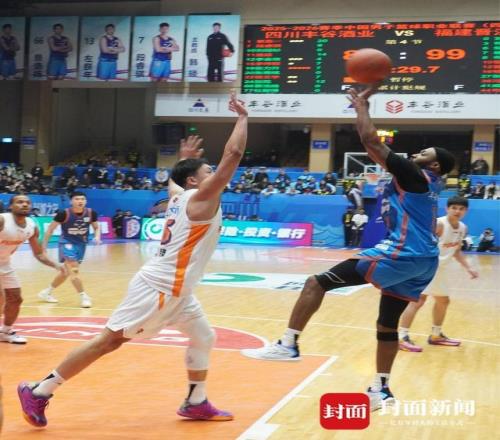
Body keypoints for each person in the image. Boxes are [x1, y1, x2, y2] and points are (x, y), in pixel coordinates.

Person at [18, 92, 248, 426]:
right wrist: (242, 118)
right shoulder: (200, 200)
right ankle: (39, 391)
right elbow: (234, 154)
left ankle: (195, 401)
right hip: (160, 287)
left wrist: (183, 159)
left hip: (179, 290)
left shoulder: (180, 195)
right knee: (109, 341)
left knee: (204, 336)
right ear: (194, 181)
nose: (215, 175)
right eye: (207, 171)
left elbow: (174, 182)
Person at [241, 85, 456, 411]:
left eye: (425, 152)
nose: (417, 154)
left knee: (316, 282)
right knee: (387, 324)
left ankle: (288, 344)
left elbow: (371, 142)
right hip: (424, 261)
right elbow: (377, 156)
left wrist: (361, 107)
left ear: (435, 165)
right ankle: (381, 390)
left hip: (402, 252)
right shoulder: (429, 183)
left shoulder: (415, 174)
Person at [399, 196, 479, 352]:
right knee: (418, 301)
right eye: (454, 208)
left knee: (441, 301)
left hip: (439, 270)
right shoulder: (439, 224)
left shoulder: (462, 228)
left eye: (461, 208)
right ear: (447, 209)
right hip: (427, 267)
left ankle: (435, 335)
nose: (457, 211)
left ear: (466, 211)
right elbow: (418, 242)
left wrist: (468, 267)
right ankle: (402, 337)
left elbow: (456, 251)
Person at [1, 195, 65, 344]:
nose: (24, 204)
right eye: (20, 202)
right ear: (10, 206)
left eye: (27, 202)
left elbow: (39, 253)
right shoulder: (3, 220)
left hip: (4, 264)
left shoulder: (31, 226)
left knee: (16, 299)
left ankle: (5, 331)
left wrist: (56, 265)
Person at [37, 192, 100, 307]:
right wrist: (44, 247)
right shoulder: (63, 213)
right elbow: (50, 230)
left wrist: (97, 236)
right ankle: (83, 296)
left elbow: (96, 227)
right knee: (74, 269)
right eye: (77, 199)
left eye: (82, 199)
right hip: (67, 243)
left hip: (81, 244)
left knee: (65, 272)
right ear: (71, 201)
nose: (80, 201)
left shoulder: (91, 213)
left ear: (86, 201)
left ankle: (46, 292)